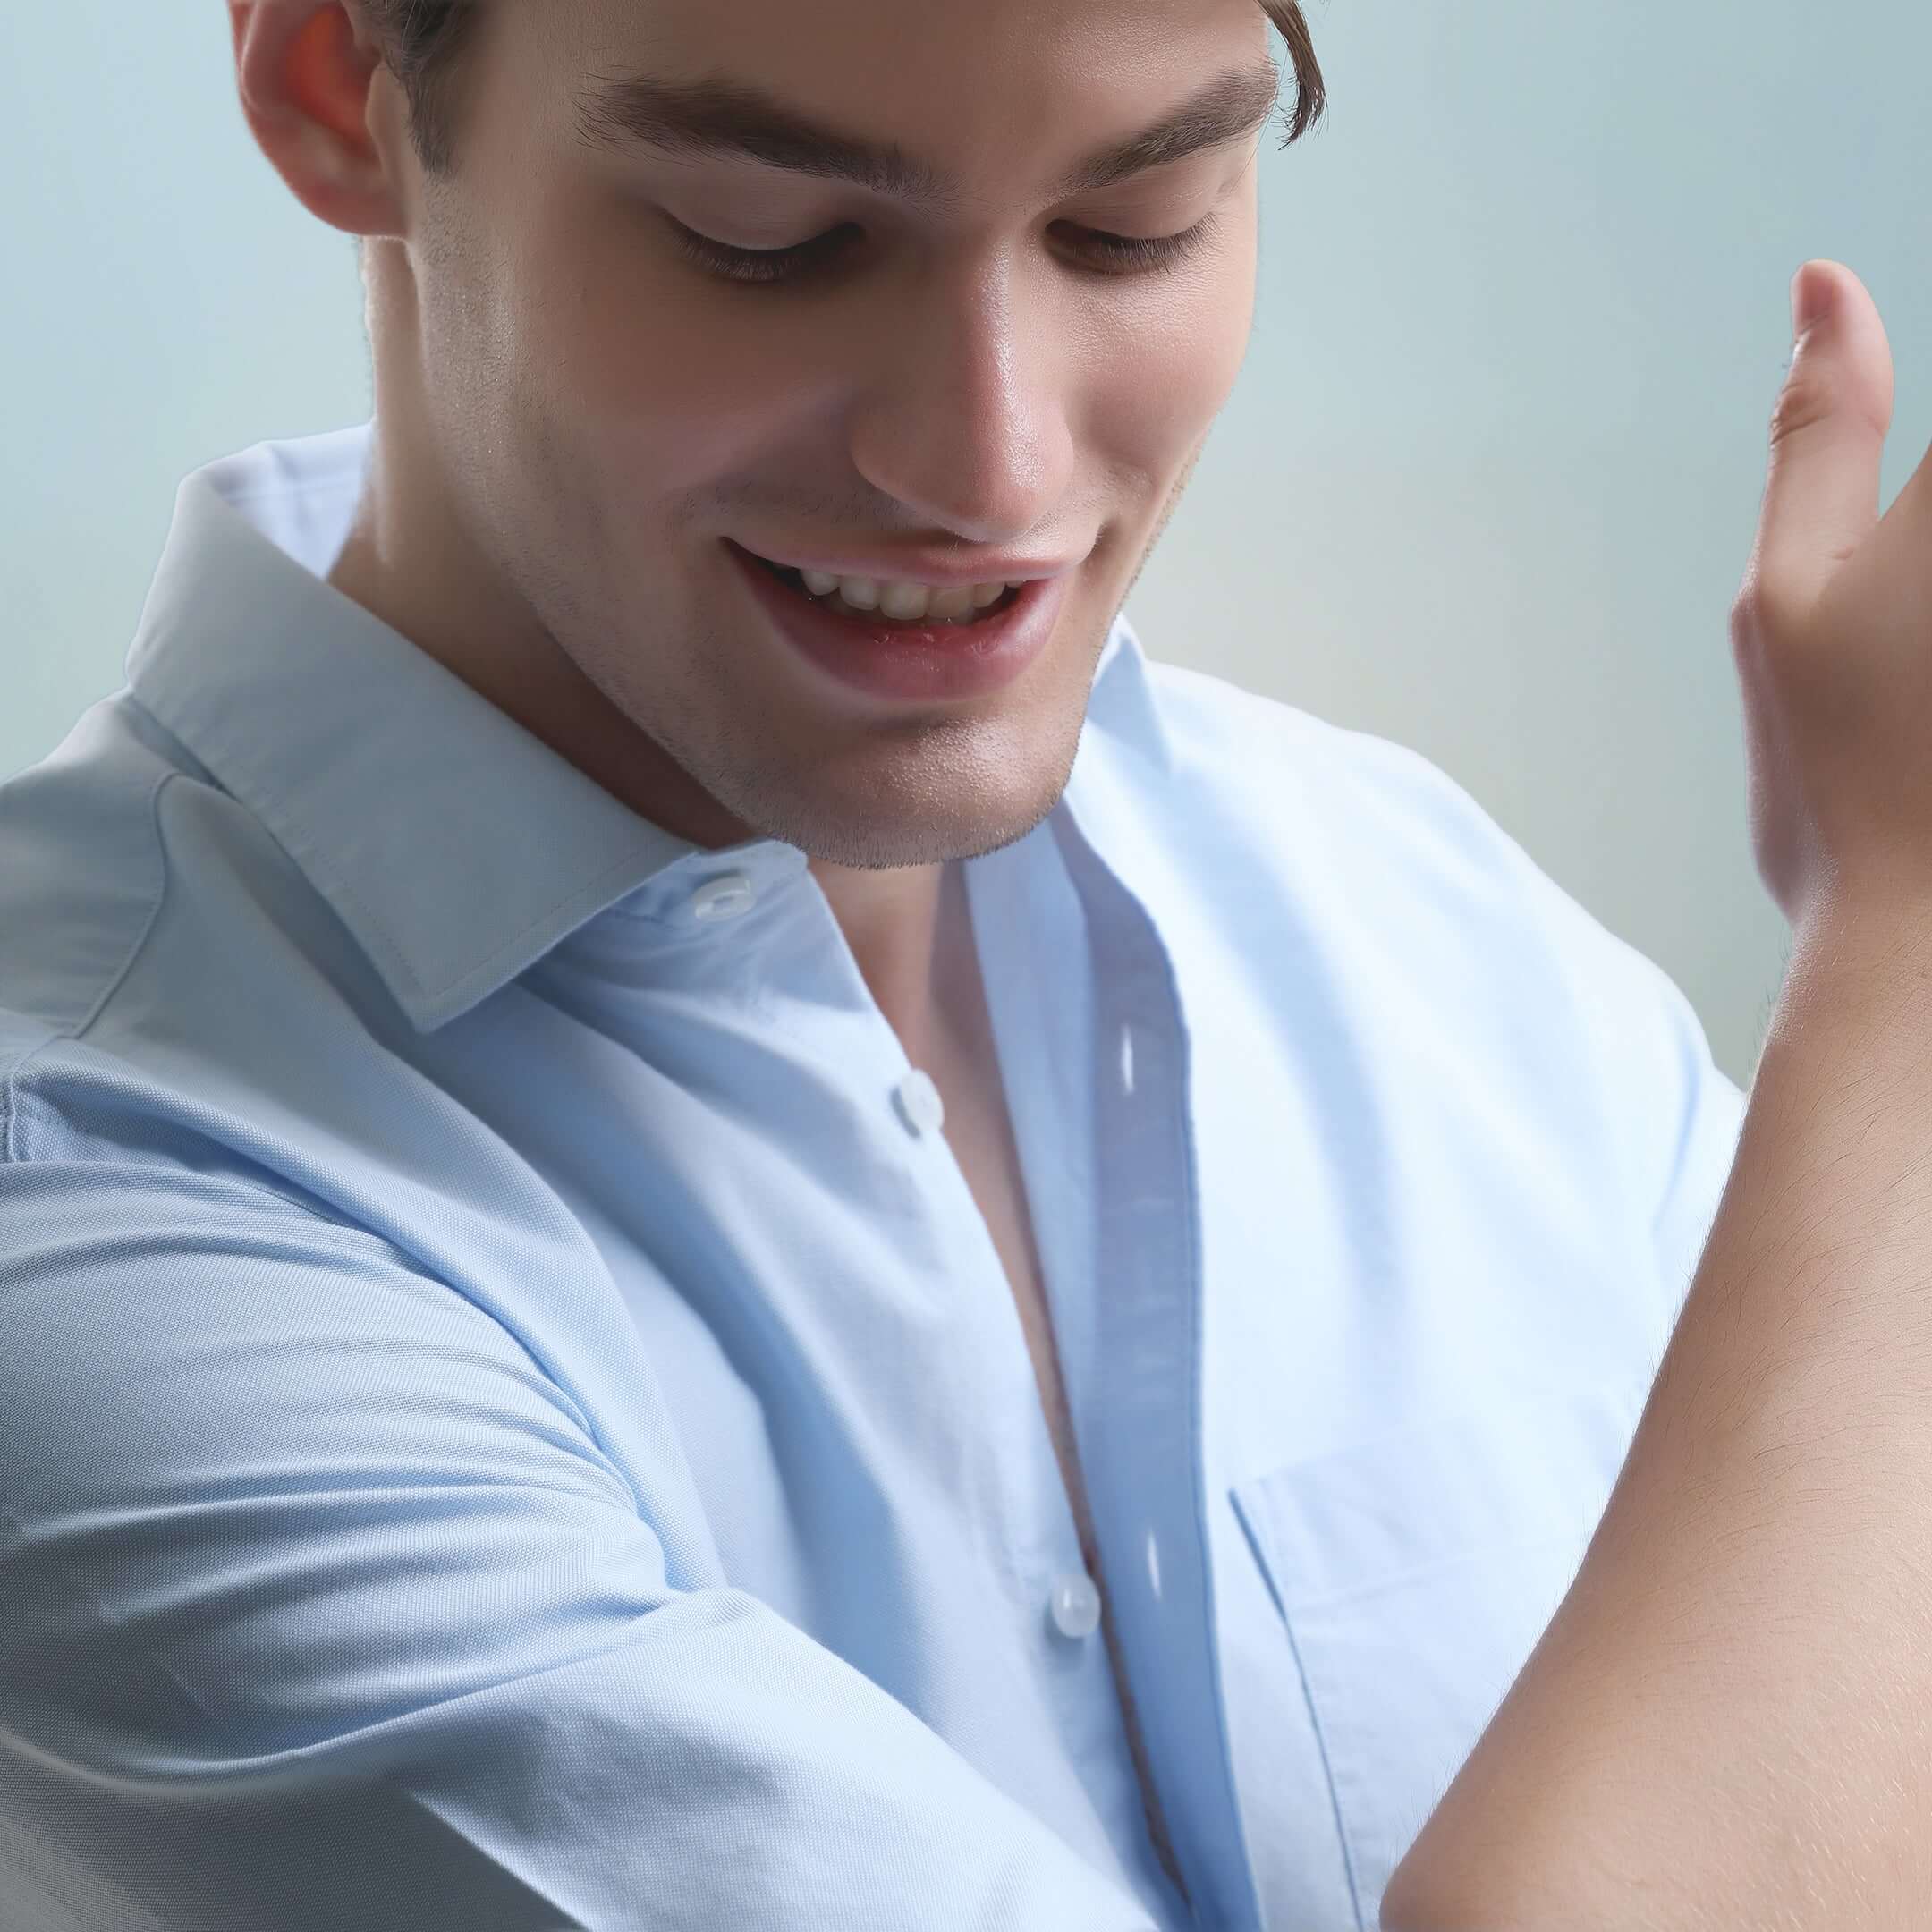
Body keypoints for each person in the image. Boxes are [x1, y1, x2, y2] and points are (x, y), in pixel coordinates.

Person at [2, 3, 1925, 1928]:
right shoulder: (85, 1205)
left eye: (1137, 221)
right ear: (337, 79)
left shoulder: (1431, 934)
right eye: (768, 236)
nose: (988, 464)